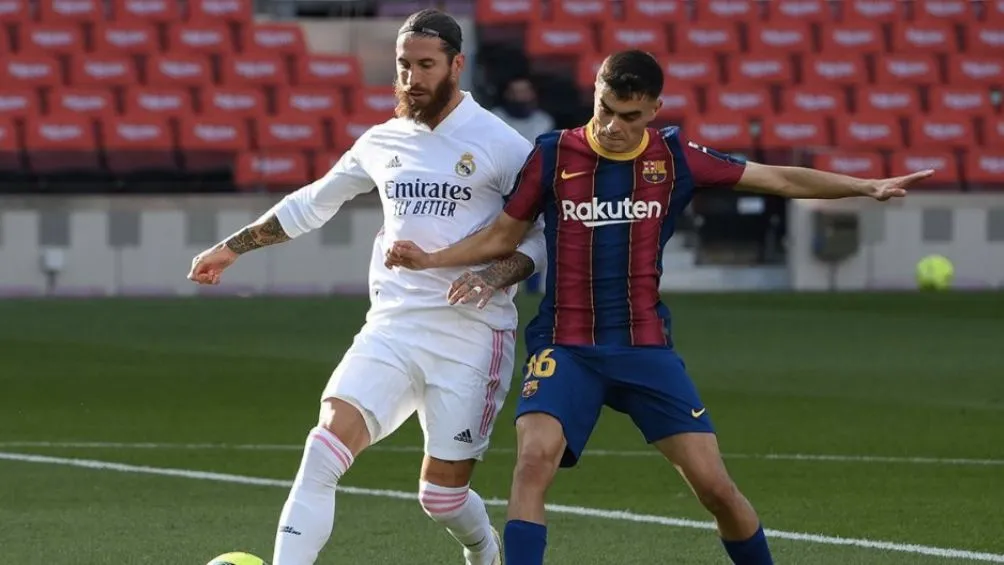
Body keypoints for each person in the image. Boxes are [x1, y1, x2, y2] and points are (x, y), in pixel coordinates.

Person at [384, 49, 933, 565]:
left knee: (715, 488)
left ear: (653, 110)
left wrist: (866, 186)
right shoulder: (554, 154)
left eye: (629, 115)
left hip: (643, 345)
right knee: (532, 463)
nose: (613, 125)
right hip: (565, 345)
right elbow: (504, 234)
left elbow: (779, 177)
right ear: (595, 94)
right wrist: (434, 259)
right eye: (605, 108)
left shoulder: (675, 157)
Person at [186, 10, 547, 565]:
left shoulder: (503, 144)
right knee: (322, 447)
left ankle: (484, 551)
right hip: (392, 327)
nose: (412, 79)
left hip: (471, 336)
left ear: (457, 65)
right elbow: (315, 201)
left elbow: (541, 238)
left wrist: (491, 276)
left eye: (425, 66)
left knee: (441, 498)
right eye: (403, 66)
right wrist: (232, 247)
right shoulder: (382, 140)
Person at [491, 77, 554, 145]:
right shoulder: (494, 117)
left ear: (533, 93)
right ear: (506, 94)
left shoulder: (545, 121)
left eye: (524, 91)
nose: (519, 96)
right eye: (514, 91)